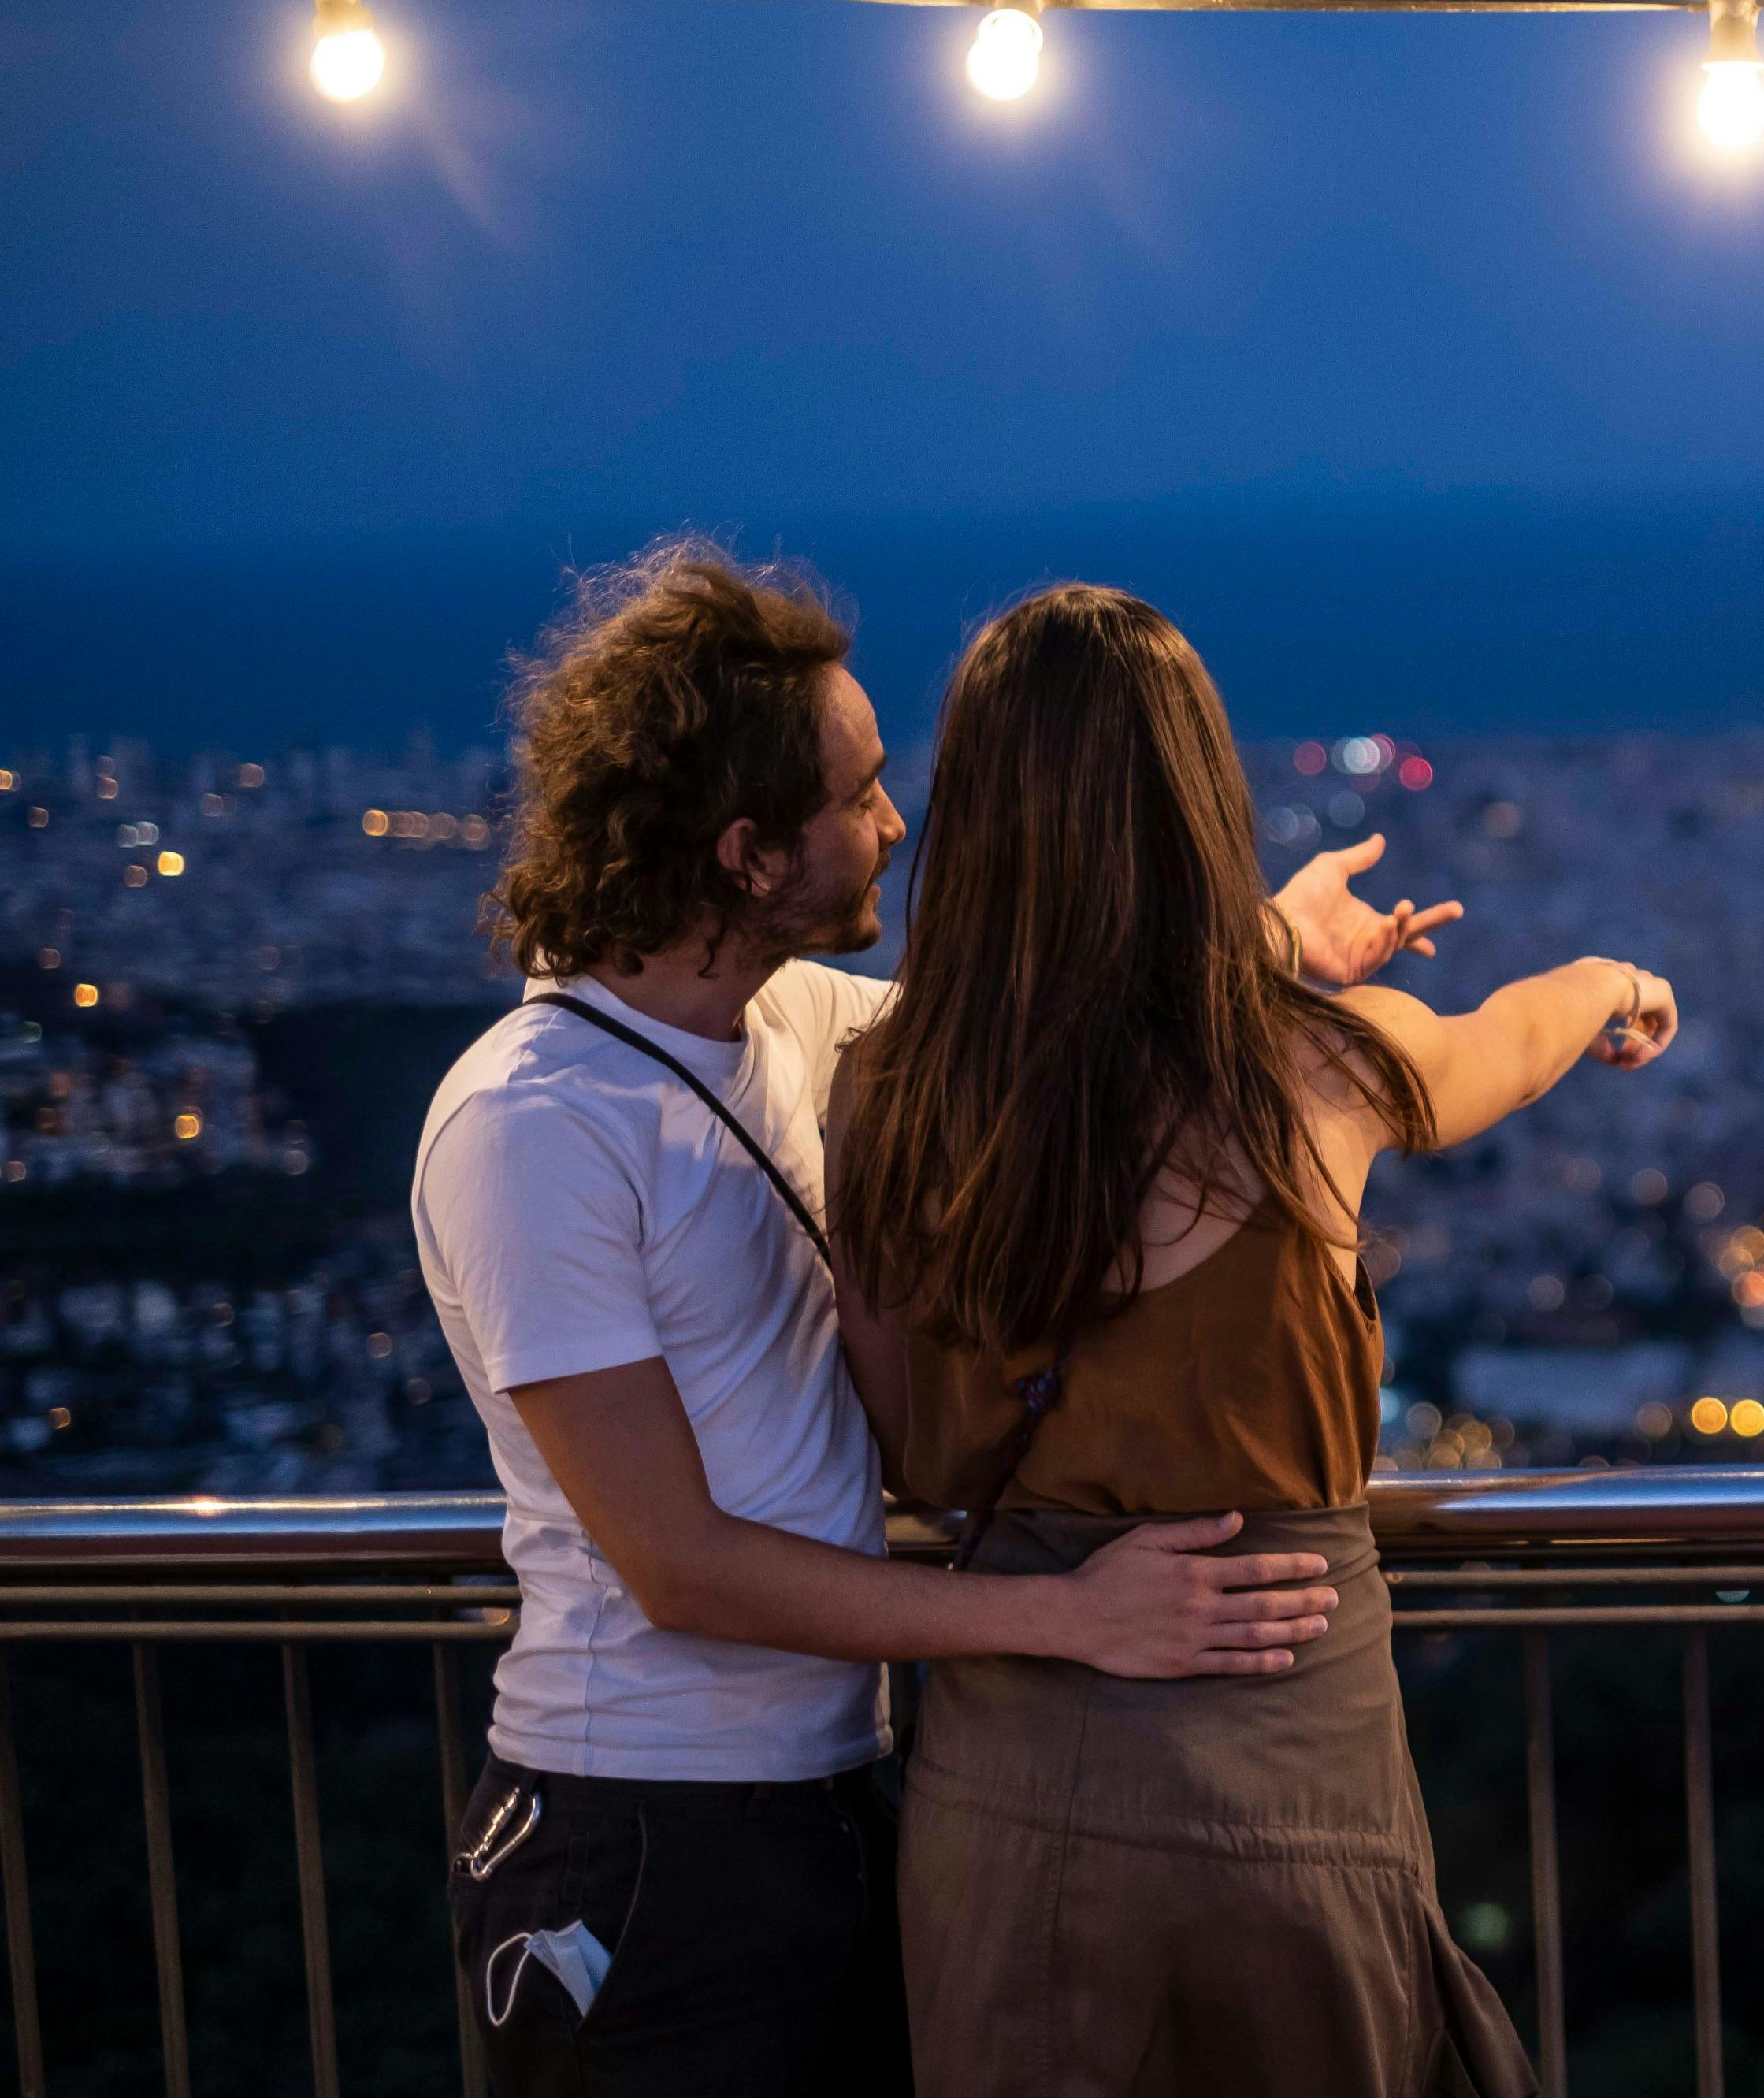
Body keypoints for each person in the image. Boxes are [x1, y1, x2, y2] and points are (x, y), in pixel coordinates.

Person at [412, 540, 1458, 2096]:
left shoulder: (786, 1023)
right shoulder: (535, 1123)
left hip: (831, 1794)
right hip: (643, 1832)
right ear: (750, 852)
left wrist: (1277, 944)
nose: (898, 826)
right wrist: (1063, 1616)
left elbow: (1058, 1028)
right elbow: (675, 1563)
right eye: (860, 797)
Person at [826, 582, 1678, 2098]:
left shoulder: (886, 1090)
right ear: (1203, 805)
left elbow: (909, 1440)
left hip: (1010, 1780)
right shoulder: (1317, 1074)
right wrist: (1611, 983)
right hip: (1284, 1757)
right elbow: (1504, 1036)